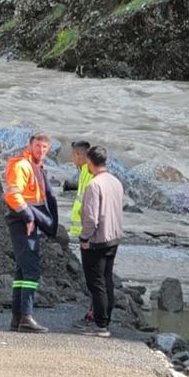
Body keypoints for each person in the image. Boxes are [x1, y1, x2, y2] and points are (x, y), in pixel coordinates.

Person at [3, 133, 59, 333]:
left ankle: (18, 318)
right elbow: (12, 194)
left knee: (22, 270)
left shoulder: (36, 167)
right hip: (22, 219)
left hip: (29, 218)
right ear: (29, 145)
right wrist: (28, 217)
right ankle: (26, 317)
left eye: (44, 147)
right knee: (31, 270)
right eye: (38, 146)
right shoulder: (21, 165)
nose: (41, 150)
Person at [76, 146, 124, 338]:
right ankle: (106, 320)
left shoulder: (94, 185)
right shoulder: (116, 182)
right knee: (107, 280)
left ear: (90, 162)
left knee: (96, 283)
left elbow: (91, 217)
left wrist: (84, 238)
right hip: (114, 237)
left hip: (97, 239)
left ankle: (100, 324)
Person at [66, 140, 97, 326]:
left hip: (89, 234)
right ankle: (95, 311)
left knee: (93, 276)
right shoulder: (85, 172)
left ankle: (95, 313)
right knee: (93, 275)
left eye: (73, 155)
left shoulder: (89, 173)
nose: (72, 159)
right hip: (85, 232)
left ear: (79, 155)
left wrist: (86, 234)